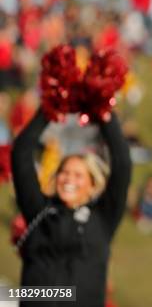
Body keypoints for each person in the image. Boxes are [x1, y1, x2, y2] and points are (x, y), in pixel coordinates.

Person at [11, 107, 131, 307]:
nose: (69, 180)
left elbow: (122, 164)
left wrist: (104, 112)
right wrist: (50, 107)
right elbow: (21, 153)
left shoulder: (103, 218)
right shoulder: (39, 211)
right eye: (64, 173)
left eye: (78, 175)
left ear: (92, 185)